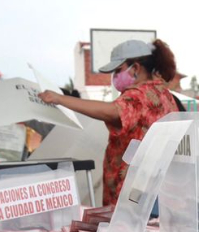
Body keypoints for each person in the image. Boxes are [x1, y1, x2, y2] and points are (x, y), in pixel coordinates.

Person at [38, 39, 180, 206]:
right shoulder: (165, 94)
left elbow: (112, 111)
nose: (115, 77)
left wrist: (60, 99)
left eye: (118, 70)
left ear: (135, 68)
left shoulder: (138, 95)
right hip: (158, 192)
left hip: (132, 198)